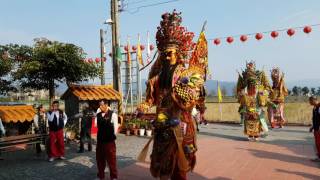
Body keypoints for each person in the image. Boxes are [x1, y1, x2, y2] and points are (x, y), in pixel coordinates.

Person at [136, 9, 208, 180]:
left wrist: (182, 97)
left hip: (180, 124)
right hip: (161, 125)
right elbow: (149, 100)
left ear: (178, 53)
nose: (167, 57)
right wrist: (142, 107)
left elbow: (193, 100)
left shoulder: (185, 75)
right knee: (162, 164)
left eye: (170, 54)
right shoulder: (155, 78)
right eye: (164, 54)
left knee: (179, 167)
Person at [236, 61, 271, 141]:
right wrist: (241, 93)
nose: (250, 68)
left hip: (256, 101)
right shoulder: (245, 83)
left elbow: (266, 88)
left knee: (256, 117)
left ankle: (256, 134)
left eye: (251, 67)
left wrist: (264, 93)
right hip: (248, 100)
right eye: (249, 67)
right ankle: (250, 134)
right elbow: (240, 89)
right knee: (248, 118)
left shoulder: (258, 83)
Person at [96, 104, 119, 180]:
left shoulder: (113, 114)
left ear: (106, 105)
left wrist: (113, 136)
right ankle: (101, 176)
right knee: (100, 159)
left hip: (109, 141)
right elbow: (96, 125)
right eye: (100, 106)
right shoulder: (98, 114)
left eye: (102, 105)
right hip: (100, 141)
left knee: (111, 160)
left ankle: (114, 176)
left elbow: (116, 126)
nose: (100, 107)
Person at [309, 96, 320, 162]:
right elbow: (315, 118)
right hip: (316, 129)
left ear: (314, 100)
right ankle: (319, 157)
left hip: (319, 129)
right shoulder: (314, 108)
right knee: (317, 143)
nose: (309, 102)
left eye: (310, 101)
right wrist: (312, 127)